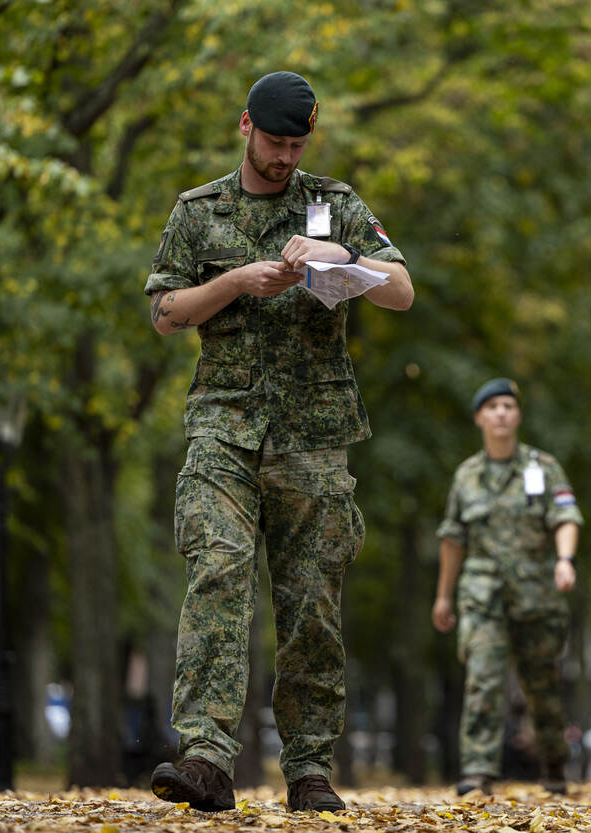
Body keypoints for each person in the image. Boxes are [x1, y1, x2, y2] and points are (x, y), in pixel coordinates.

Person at [144, 71, 414, 813]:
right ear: (245, 127)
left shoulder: (336, 203)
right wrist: (234, 281)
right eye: (274, 142)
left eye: (297, 144)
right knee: (218, 572)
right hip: (223, 426)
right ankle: (205, 755)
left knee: (312, 602)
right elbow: (166, 310)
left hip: (314, 433)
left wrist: (343, 263)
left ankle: (310, 766)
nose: (285, 157)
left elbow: (402, 289)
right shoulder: (199, 213)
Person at [432, 379, 583, 796]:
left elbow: (566, 516)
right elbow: (452, 538)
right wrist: (444, 596)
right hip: (482, 596)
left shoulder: (543, 467)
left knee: (542, 686)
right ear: (479, 417)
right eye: (492, 406)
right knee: (483, 678)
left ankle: (553, 761)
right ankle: (478, 770)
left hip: (537, 595)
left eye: (508, 406)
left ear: (517, 416)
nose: (501, 413)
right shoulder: (467, 476)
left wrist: (564, 560)